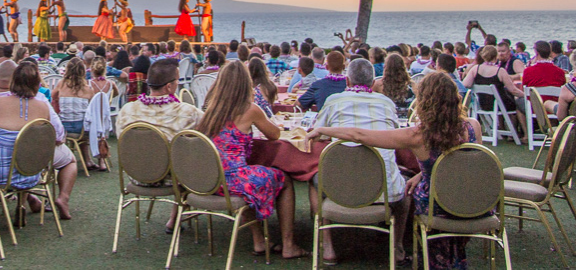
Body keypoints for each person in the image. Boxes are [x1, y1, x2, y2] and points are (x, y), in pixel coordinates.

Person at [310, 72, 482, 270]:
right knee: (422, 184)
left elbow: (357, 135)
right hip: (473, 204)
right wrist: (422, 173)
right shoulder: (473, 127)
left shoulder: (417, 136)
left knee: (415, 189)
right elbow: (470, 166)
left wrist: (323, 130)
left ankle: (432, 255)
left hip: (439, 205)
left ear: (424, 101)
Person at [195, 61, 307, 259]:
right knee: (284, 180)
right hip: (233, 181)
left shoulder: (211, 112)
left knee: (246, 176)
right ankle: (288, 244)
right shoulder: (250, 109)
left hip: (209, 179)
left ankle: (259, 240)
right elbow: (274, 134)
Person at [313, 59, 410, 264]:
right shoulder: (386, 103)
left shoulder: (334, 101)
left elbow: (317, 134)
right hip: (385, 192)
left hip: (340, 189)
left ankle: (328, 246)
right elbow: (397, 134)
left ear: (347, 80)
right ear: (373, 81)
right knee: (405, 193)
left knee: (312, 180)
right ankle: (397, 245)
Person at [115, 58, 203, 232]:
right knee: (193, 161)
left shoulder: (127, 111)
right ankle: (174, 218)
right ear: (170, 87)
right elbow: (210, 130)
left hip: (136, 174)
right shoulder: (187, 112)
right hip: (171, 178)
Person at [0, 61, 51, 193]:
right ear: (37, 83)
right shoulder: (43, 107)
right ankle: (25, 202)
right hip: (31, 174)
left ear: (13, 80)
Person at [462, 44, 524, 136]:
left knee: (506, 100)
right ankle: (513, 132)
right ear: (495, 57)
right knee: (514, 103)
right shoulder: (500, 71)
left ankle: (502, 130)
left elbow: (465, 84)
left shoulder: (475, 69)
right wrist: (525, 95)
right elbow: (513, 90)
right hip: (500, 105)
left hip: (482, 104)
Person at [52, 57, 96, 168]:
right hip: (81, 129)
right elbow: (92, 107)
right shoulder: (88, 88)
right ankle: (87, 159)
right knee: (84, 119)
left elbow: (53, 96)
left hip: (64, 128)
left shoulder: (61, 84)